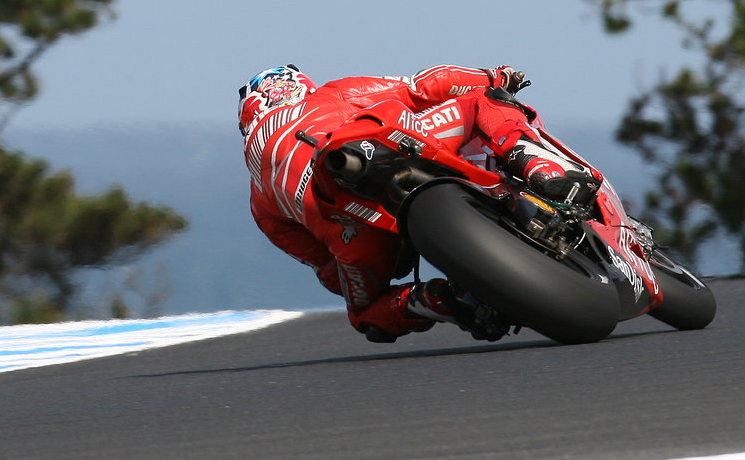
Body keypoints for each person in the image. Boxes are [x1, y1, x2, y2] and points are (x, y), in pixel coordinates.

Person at [238, 64, 594, 343]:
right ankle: (541, 169)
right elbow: (422, 87)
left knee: (366, 314)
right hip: (392, 145)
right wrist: (494, 76)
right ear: (300, 85)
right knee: (482, 102)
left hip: (353, 227)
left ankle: (437, 301)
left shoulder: (259, 198)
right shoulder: (329, 94)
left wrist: (368, 259)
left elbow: (325, 270)